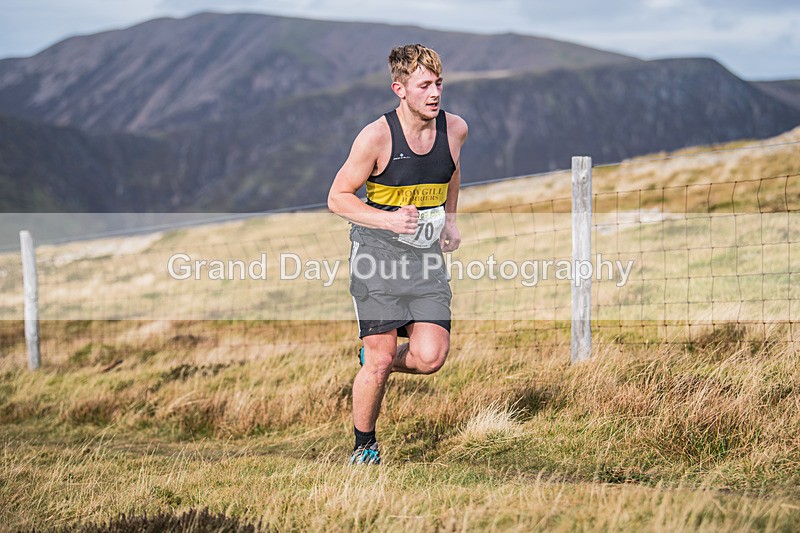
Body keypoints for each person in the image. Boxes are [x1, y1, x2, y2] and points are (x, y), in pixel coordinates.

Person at [327, 43, 468, 465]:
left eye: (438, 83)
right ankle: (365, 448)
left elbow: (451, 171)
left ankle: (375, 358)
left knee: (430, 357)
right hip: (376, 259)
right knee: (382, 357)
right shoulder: (376, 137)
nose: (435, 93)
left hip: (426, 260)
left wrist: (450, 220)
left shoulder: (455, 129)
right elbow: (337, 197)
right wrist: (387, 221)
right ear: (400, 89)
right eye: (424, 85)